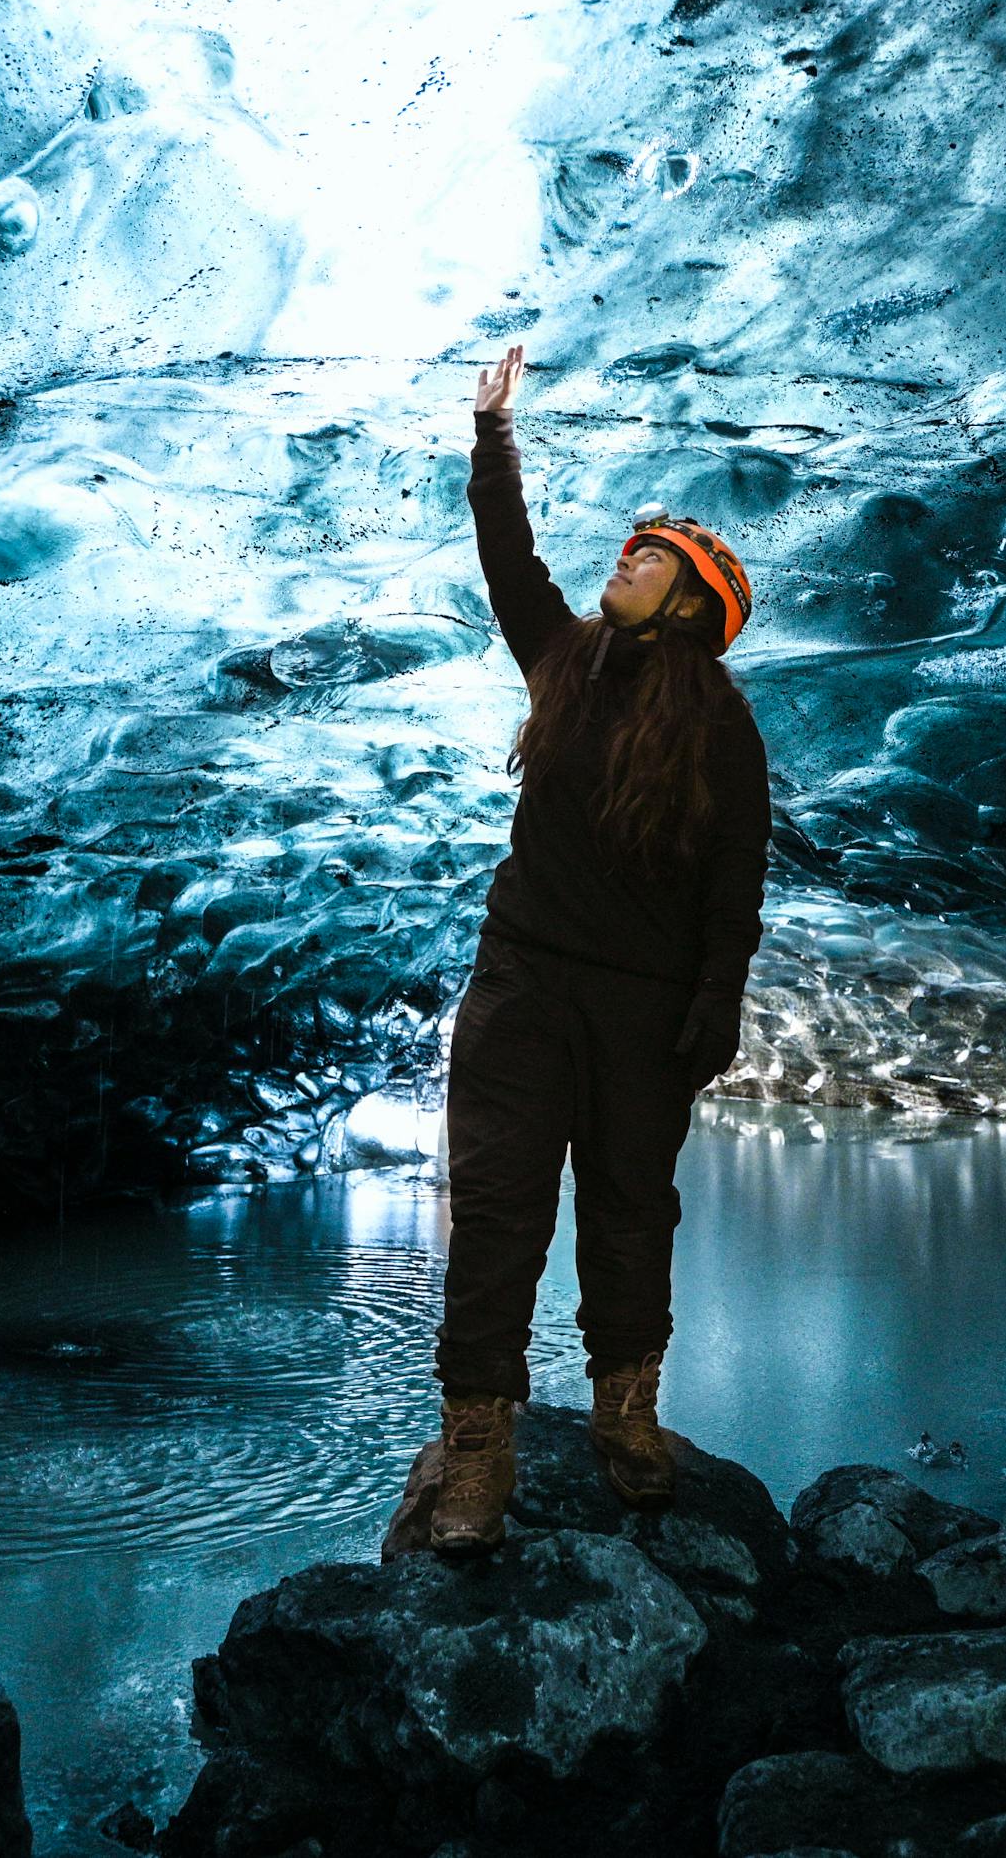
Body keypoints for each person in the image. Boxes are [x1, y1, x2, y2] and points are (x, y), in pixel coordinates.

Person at [413, 340, 771, 1553]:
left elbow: (737, 872)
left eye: (651, 560)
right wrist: (492, 434)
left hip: (642, 1007)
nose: (625, 560)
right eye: (630, 549)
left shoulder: (720, 721)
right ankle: (477, 1452)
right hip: (521, 982)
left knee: (628, 1213)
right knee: (501, 1209)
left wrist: (715, 996)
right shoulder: (560, 658)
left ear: (690, 607)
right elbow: (507, 558)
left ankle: (627, 1416)